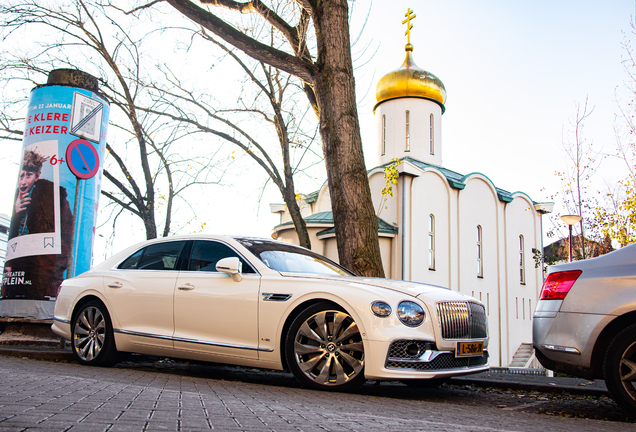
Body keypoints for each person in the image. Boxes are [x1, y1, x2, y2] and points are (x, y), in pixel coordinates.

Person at [2, 148, 73, 299]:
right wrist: (16, 212)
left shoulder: (54, 199)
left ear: (37, 176)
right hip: (18, 276)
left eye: (29, 175)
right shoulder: (18, 199)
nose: (23, 181)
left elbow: (65, 242)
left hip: (42, 277)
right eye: (21, 175)